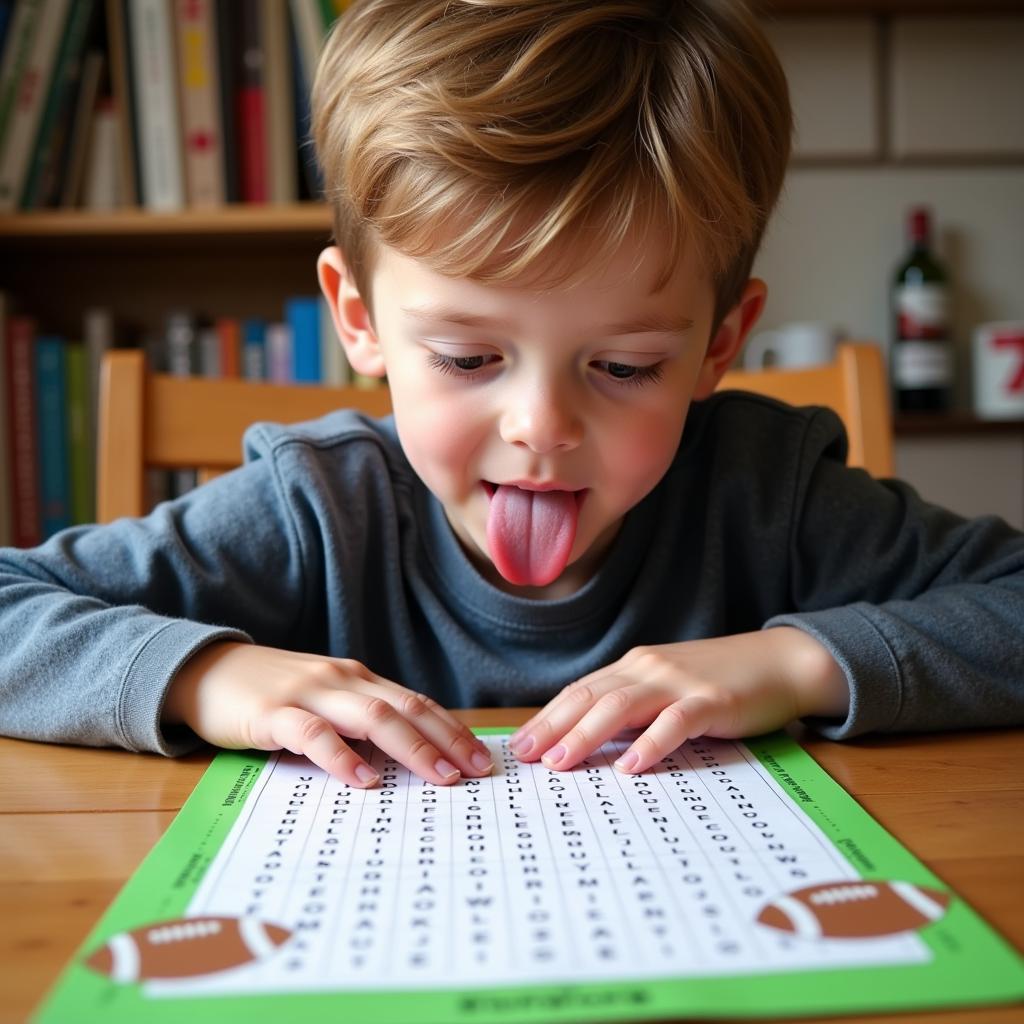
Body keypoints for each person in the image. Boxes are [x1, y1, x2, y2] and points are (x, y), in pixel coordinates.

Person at [1, 0, 1022, 791]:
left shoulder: (767, 494)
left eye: (621, 367)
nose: (541, 427)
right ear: (357, 317)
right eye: (466, 357)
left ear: (719, 344)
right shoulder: (317, 510)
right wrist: (209, 678)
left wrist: (800, 664)